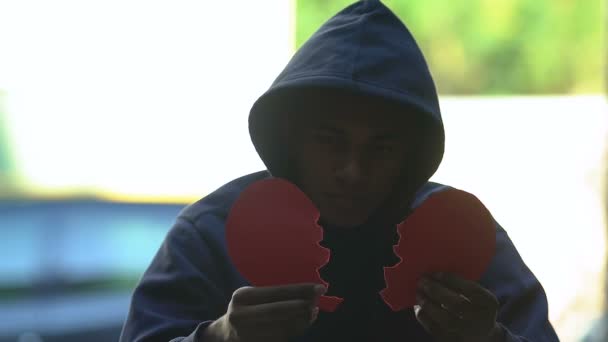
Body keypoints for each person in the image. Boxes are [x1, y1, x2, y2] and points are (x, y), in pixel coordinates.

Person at [120, 1, 560, 341]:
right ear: (291, 138)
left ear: (411, 156)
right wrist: (221, 335)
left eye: (381, 148)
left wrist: (490, 338)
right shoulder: (209, 235)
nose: (352, 171)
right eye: (330, 142)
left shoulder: (461, 241)